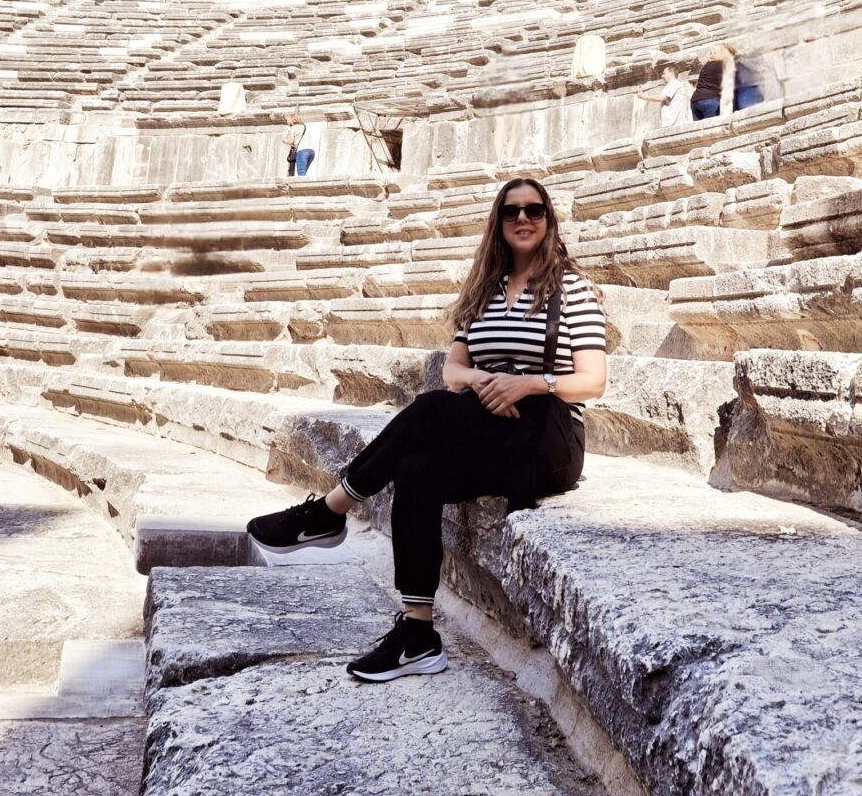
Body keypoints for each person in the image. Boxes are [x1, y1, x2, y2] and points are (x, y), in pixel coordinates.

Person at [246, 178, 608, 681]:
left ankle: (331, 510)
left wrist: (527, 385)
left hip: (547, 441)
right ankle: (417, 633)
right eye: (511, 212)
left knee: (433, 409)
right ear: (498, 224)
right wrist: (483, 380)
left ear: (548, 220)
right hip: (491, 431)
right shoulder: (487, 290)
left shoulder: (571, 288)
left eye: (535, 210)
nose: (523, 219)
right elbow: (453, 369)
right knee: (417, 469)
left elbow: (592, 380)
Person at [636, 62, 687, 127]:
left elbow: (661, 98)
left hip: (673, 123)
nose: (662, 76)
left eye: (664, 73)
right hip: (671, 123)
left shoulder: (674, 83)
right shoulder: (673, 84)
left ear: (671, 74)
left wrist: (644, 97)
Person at [690, 45, 733, 120]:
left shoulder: (706, 65)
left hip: (695, 100)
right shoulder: (720, 64)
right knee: (712, 128)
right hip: (709, 100)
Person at [283, 112, 314, 177]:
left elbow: (291, 141)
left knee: (301, 173)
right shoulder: (304, 127)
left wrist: (284, 141)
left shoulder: (294, 128)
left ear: (291, 121)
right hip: (311, 151)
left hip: (302, 151)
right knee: (304, 173)